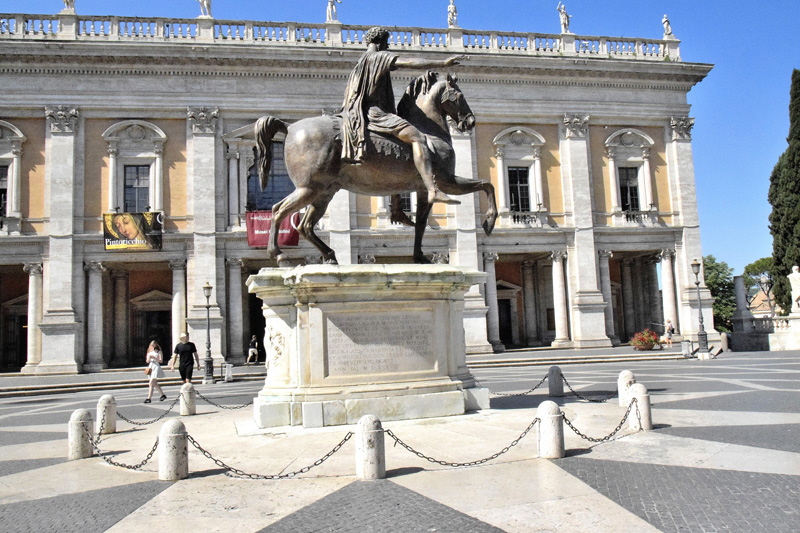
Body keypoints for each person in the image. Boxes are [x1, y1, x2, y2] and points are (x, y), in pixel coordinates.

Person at [340, 26, 463, 206]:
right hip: (375, 114)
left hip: (356, 113)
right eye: (386, 42)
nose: (388, 46)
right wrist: (442, 63)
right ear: (380, 42)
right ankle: (433, 189)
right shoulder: (378, 57)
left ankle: (396, 207)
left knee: (397, 151)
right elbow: (410, 62)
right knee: (417, 138)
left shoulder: (360, 63)